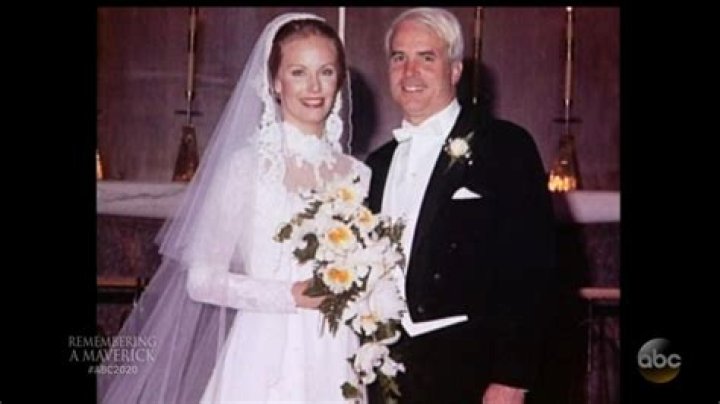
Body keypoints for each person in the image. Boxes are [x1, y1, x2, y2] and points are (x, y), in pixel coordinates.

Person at [98, 12, 370, 403]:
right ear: (275, 83)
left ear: (339, 80)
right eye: (298, 72)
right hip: (262, 350)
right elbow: (201, 280)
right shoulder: (245, 168)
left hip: (335, 350)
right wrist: (288, 295)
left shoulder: (358, 175)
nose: (314, 87)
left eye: (325, 72)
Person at [365, 8, 557, 404]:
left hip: (472, 373)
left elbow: (533, 270)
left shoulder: (504, 145)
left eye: (426, 57)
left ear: (455, 70)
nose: (410, 72)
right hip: (389, 373)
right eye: (399, 58)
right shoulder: (377, 165)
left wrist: (512, 378)